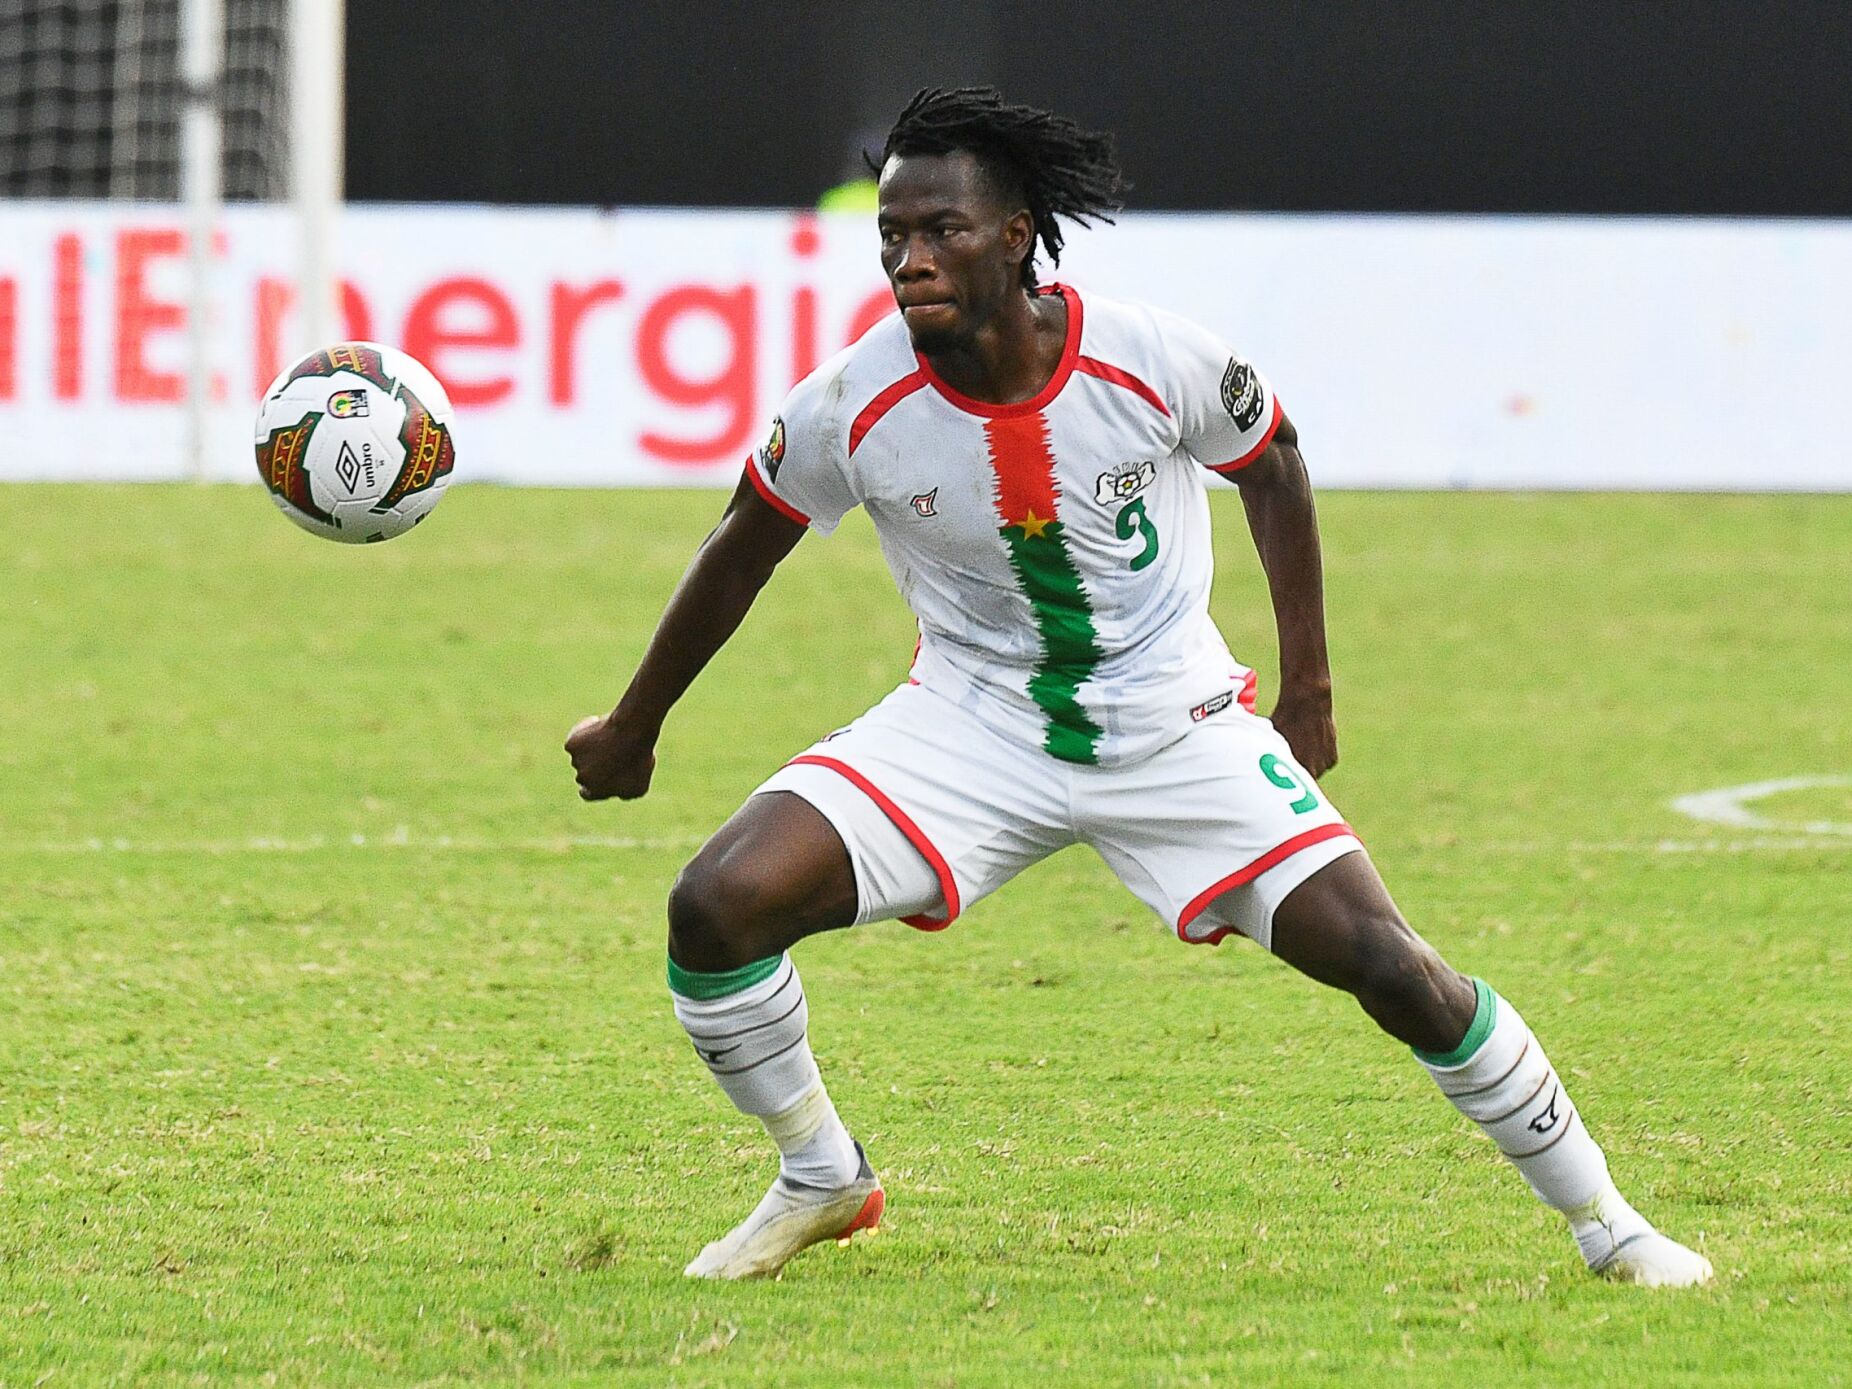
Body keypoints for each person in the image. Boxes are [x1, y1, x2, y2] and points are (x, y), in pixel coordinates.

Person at [566, 87, 1713, 1287]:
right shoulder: (851, 400)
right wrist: (636, 723)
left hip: (1176, 724)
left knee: (1387, 964)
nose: (909, 259)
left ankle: (1609, 1225)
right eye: (892, 237)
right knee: (714, 909)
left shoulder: (1150, 356)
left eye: (939, 230)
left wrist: (1309, 687)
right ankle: (820, 1175)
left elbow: (1272, 462)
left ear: (1015, 235)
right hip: (968, 725)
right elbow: (743, 542)